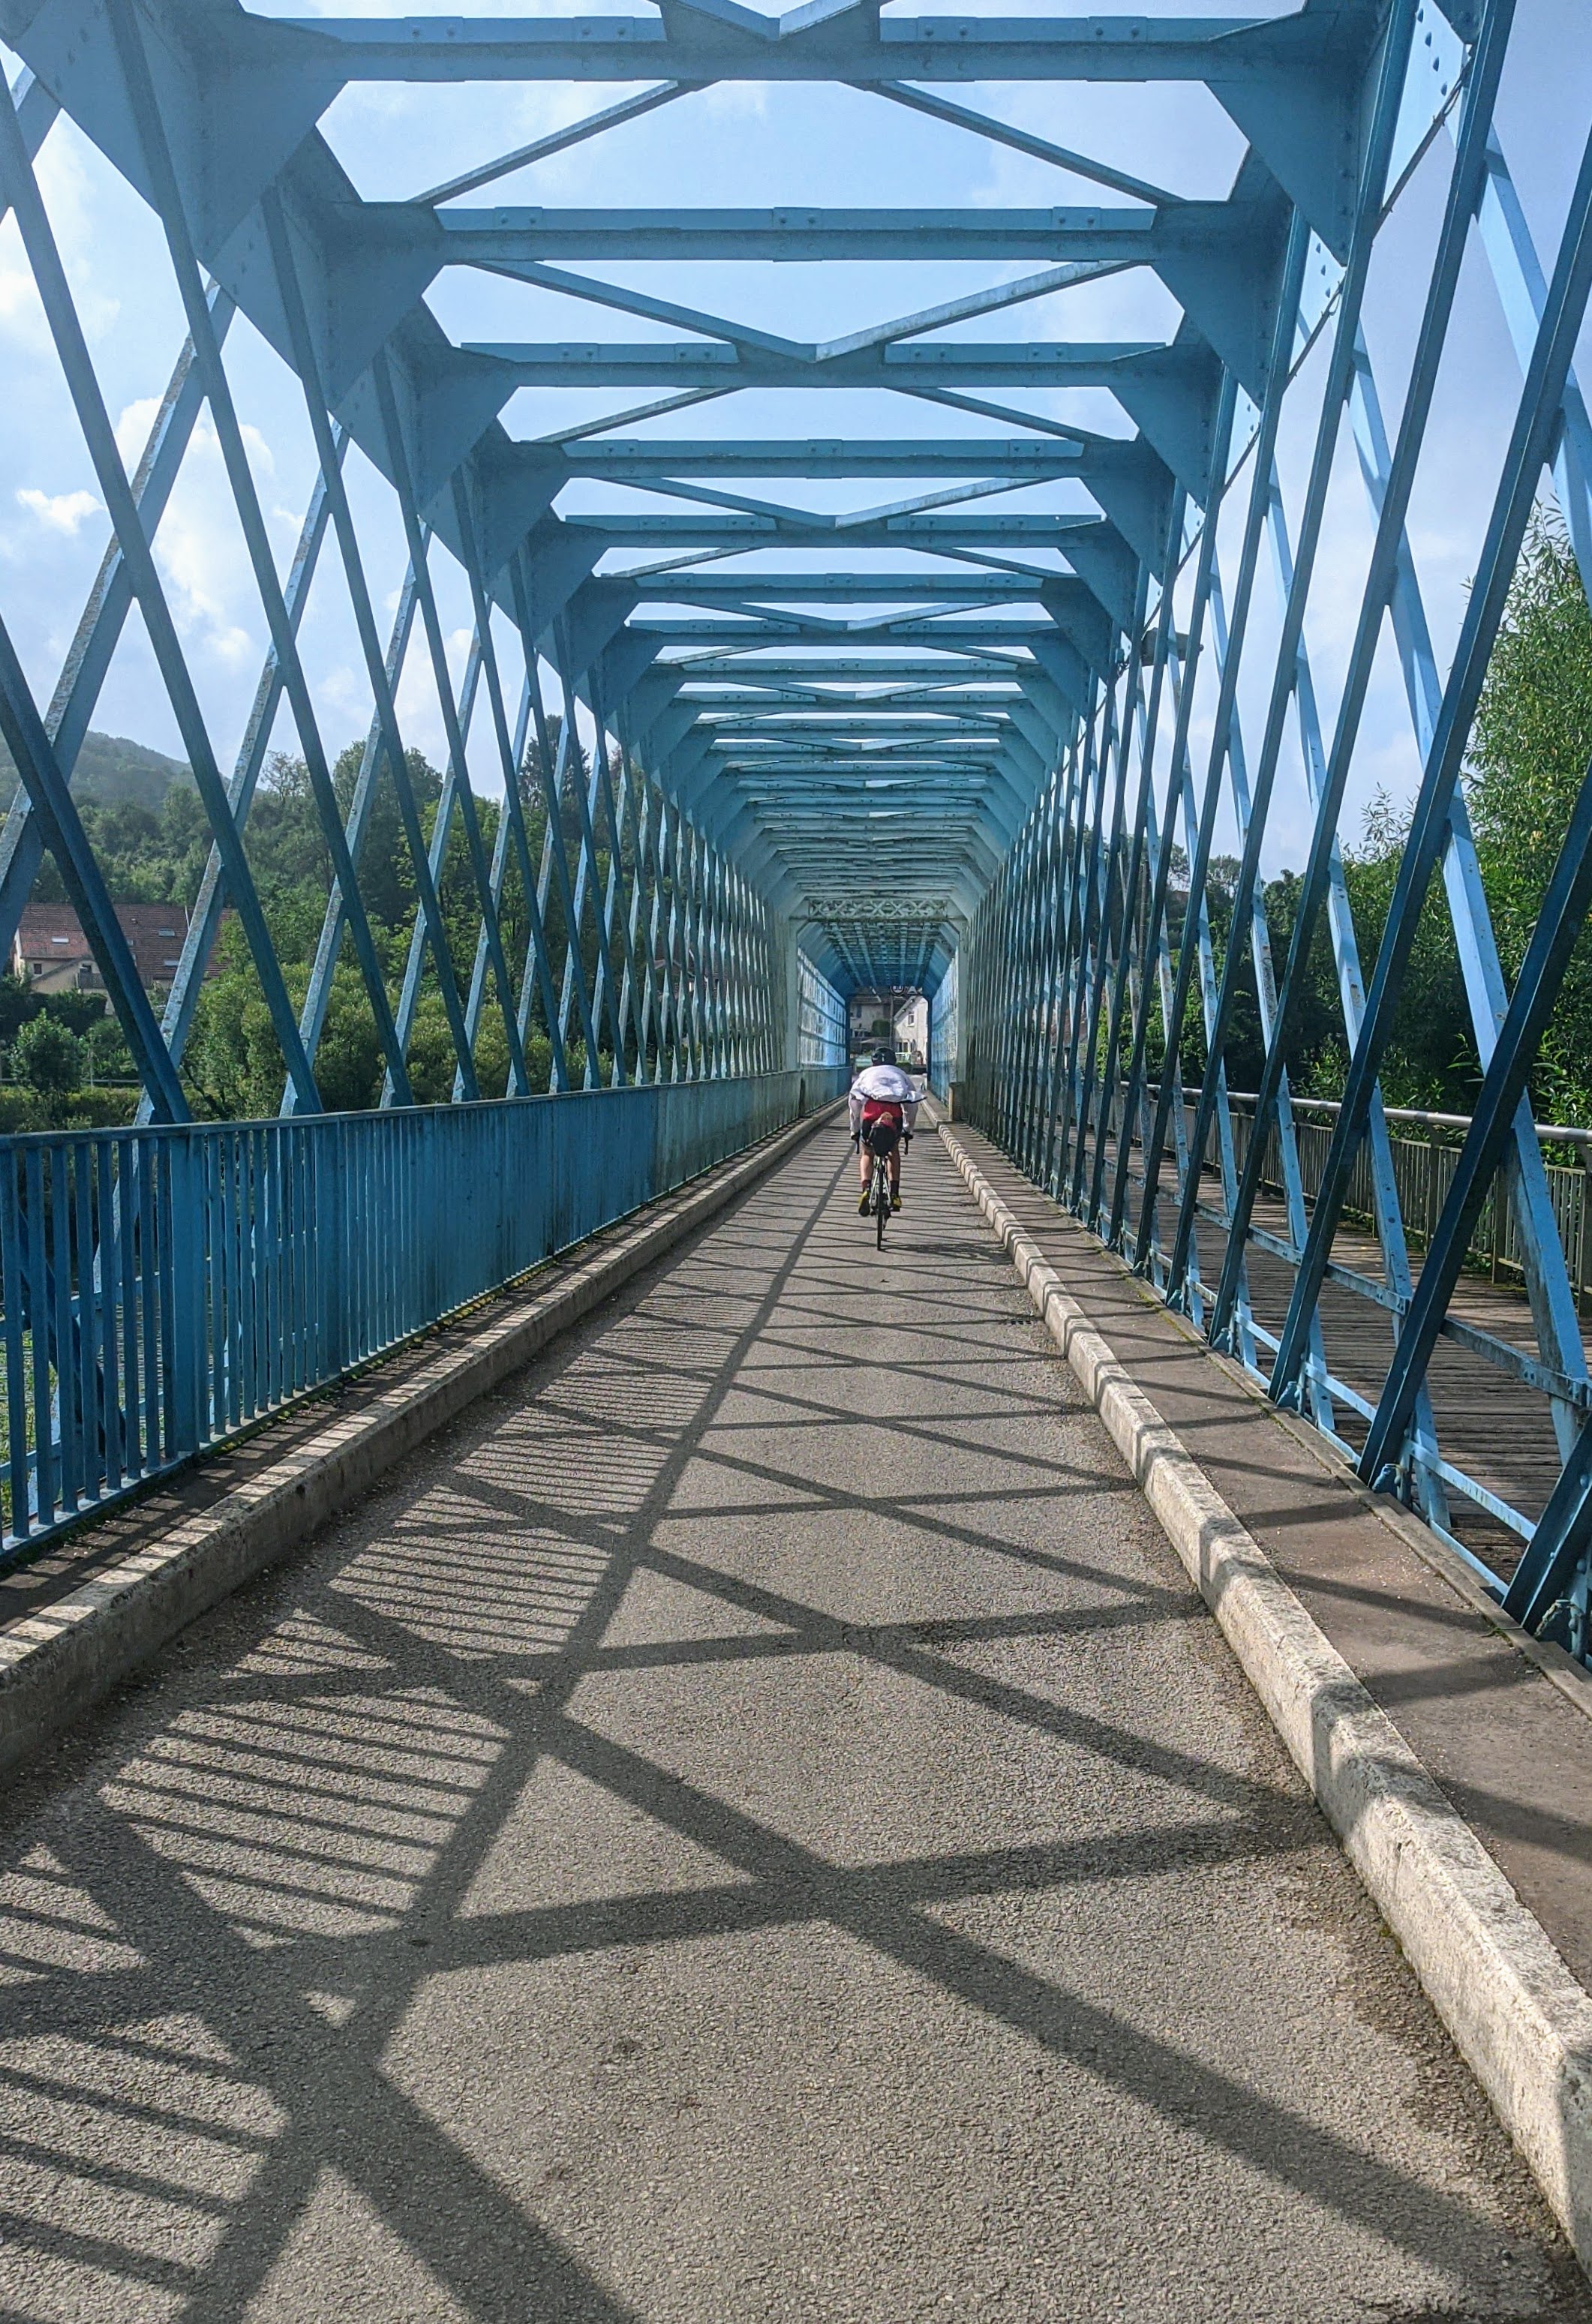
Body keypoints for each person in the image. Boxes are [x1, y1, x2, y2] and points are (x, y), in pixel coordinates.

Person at [849, 1046, 920, 1214]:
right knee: (893, 1151)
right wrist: (908, 1129)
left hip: (870, 1117)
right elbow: (912, 1104)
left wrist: (855, 1130)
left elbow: (854, 1102)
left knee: (868, 1153)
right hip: (893, 1117)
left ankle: (866, 1188)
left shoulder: (866, 1075)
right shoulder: (900, 1074)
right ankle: (894, 1193)